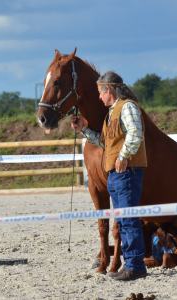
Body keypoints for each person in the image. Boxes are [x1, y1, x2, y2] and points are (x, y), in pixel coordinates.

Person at [71, 71, 147, 281]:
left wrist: (123, 156)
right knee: (124, 220)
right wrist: (85, 129)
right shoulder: (112, 113)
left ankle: (135, 265)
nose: (98, 97)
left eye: (100, 93)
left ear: (109, 90)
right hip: (116, 174)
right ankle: (131, 264)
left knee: (128, 219)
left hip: (126, 171)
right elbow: (105, 143)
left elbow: (136, 133)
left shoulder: (127, 107)